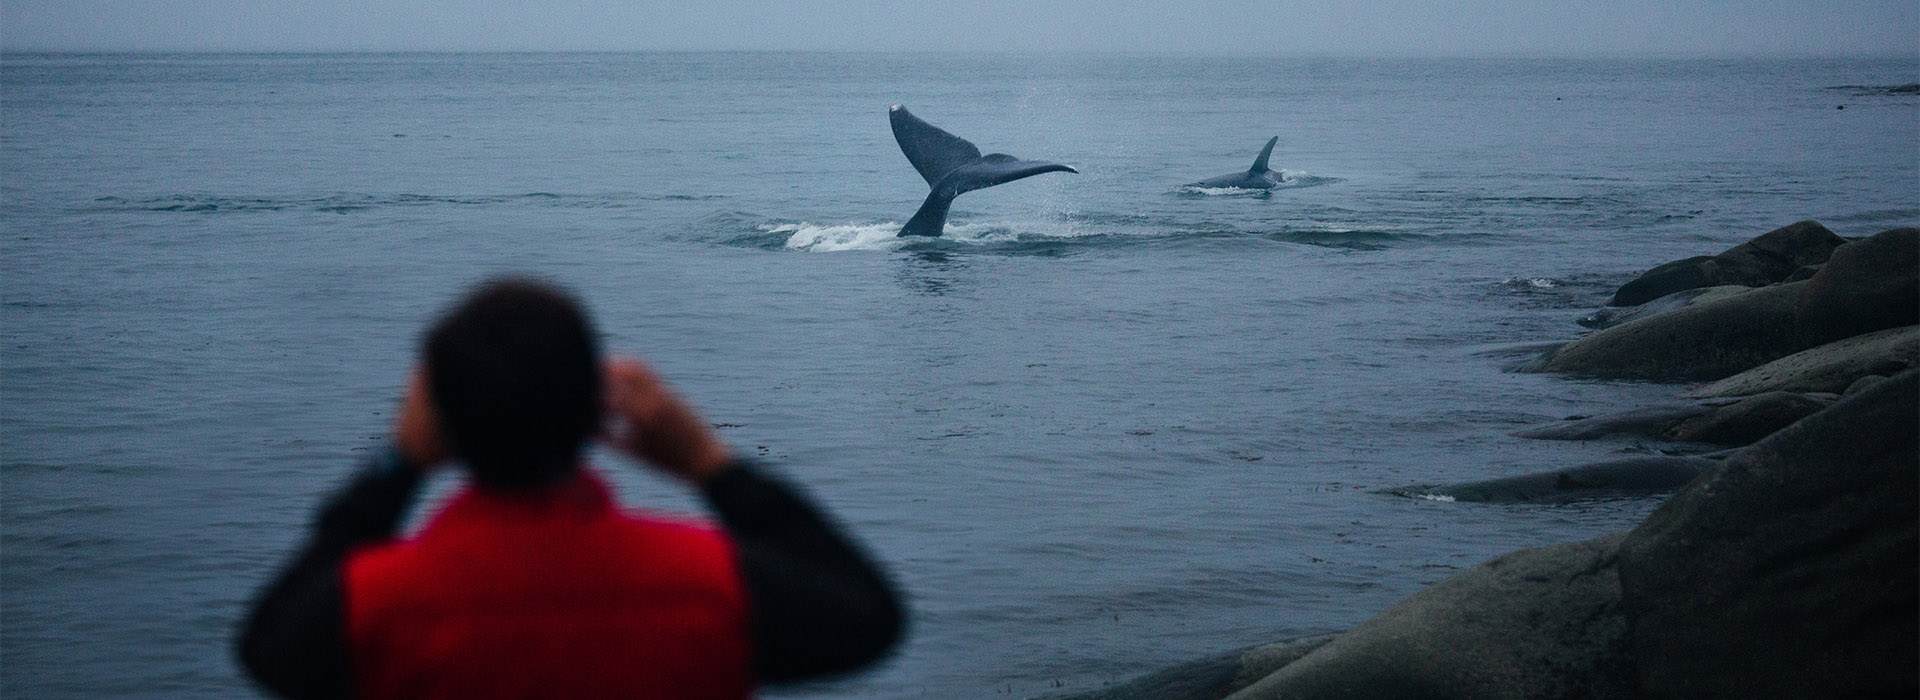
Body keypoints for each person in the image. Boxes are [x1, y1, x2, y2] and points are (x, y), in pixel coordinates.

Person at [237, 278, 903, 699]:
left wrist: (399, 465)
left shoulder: (380, 603)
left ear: (434, 419)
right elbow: (869, 618)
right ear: (597, 411)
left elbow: (266, 651)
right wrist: (708, 462)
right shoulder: (709, 583)